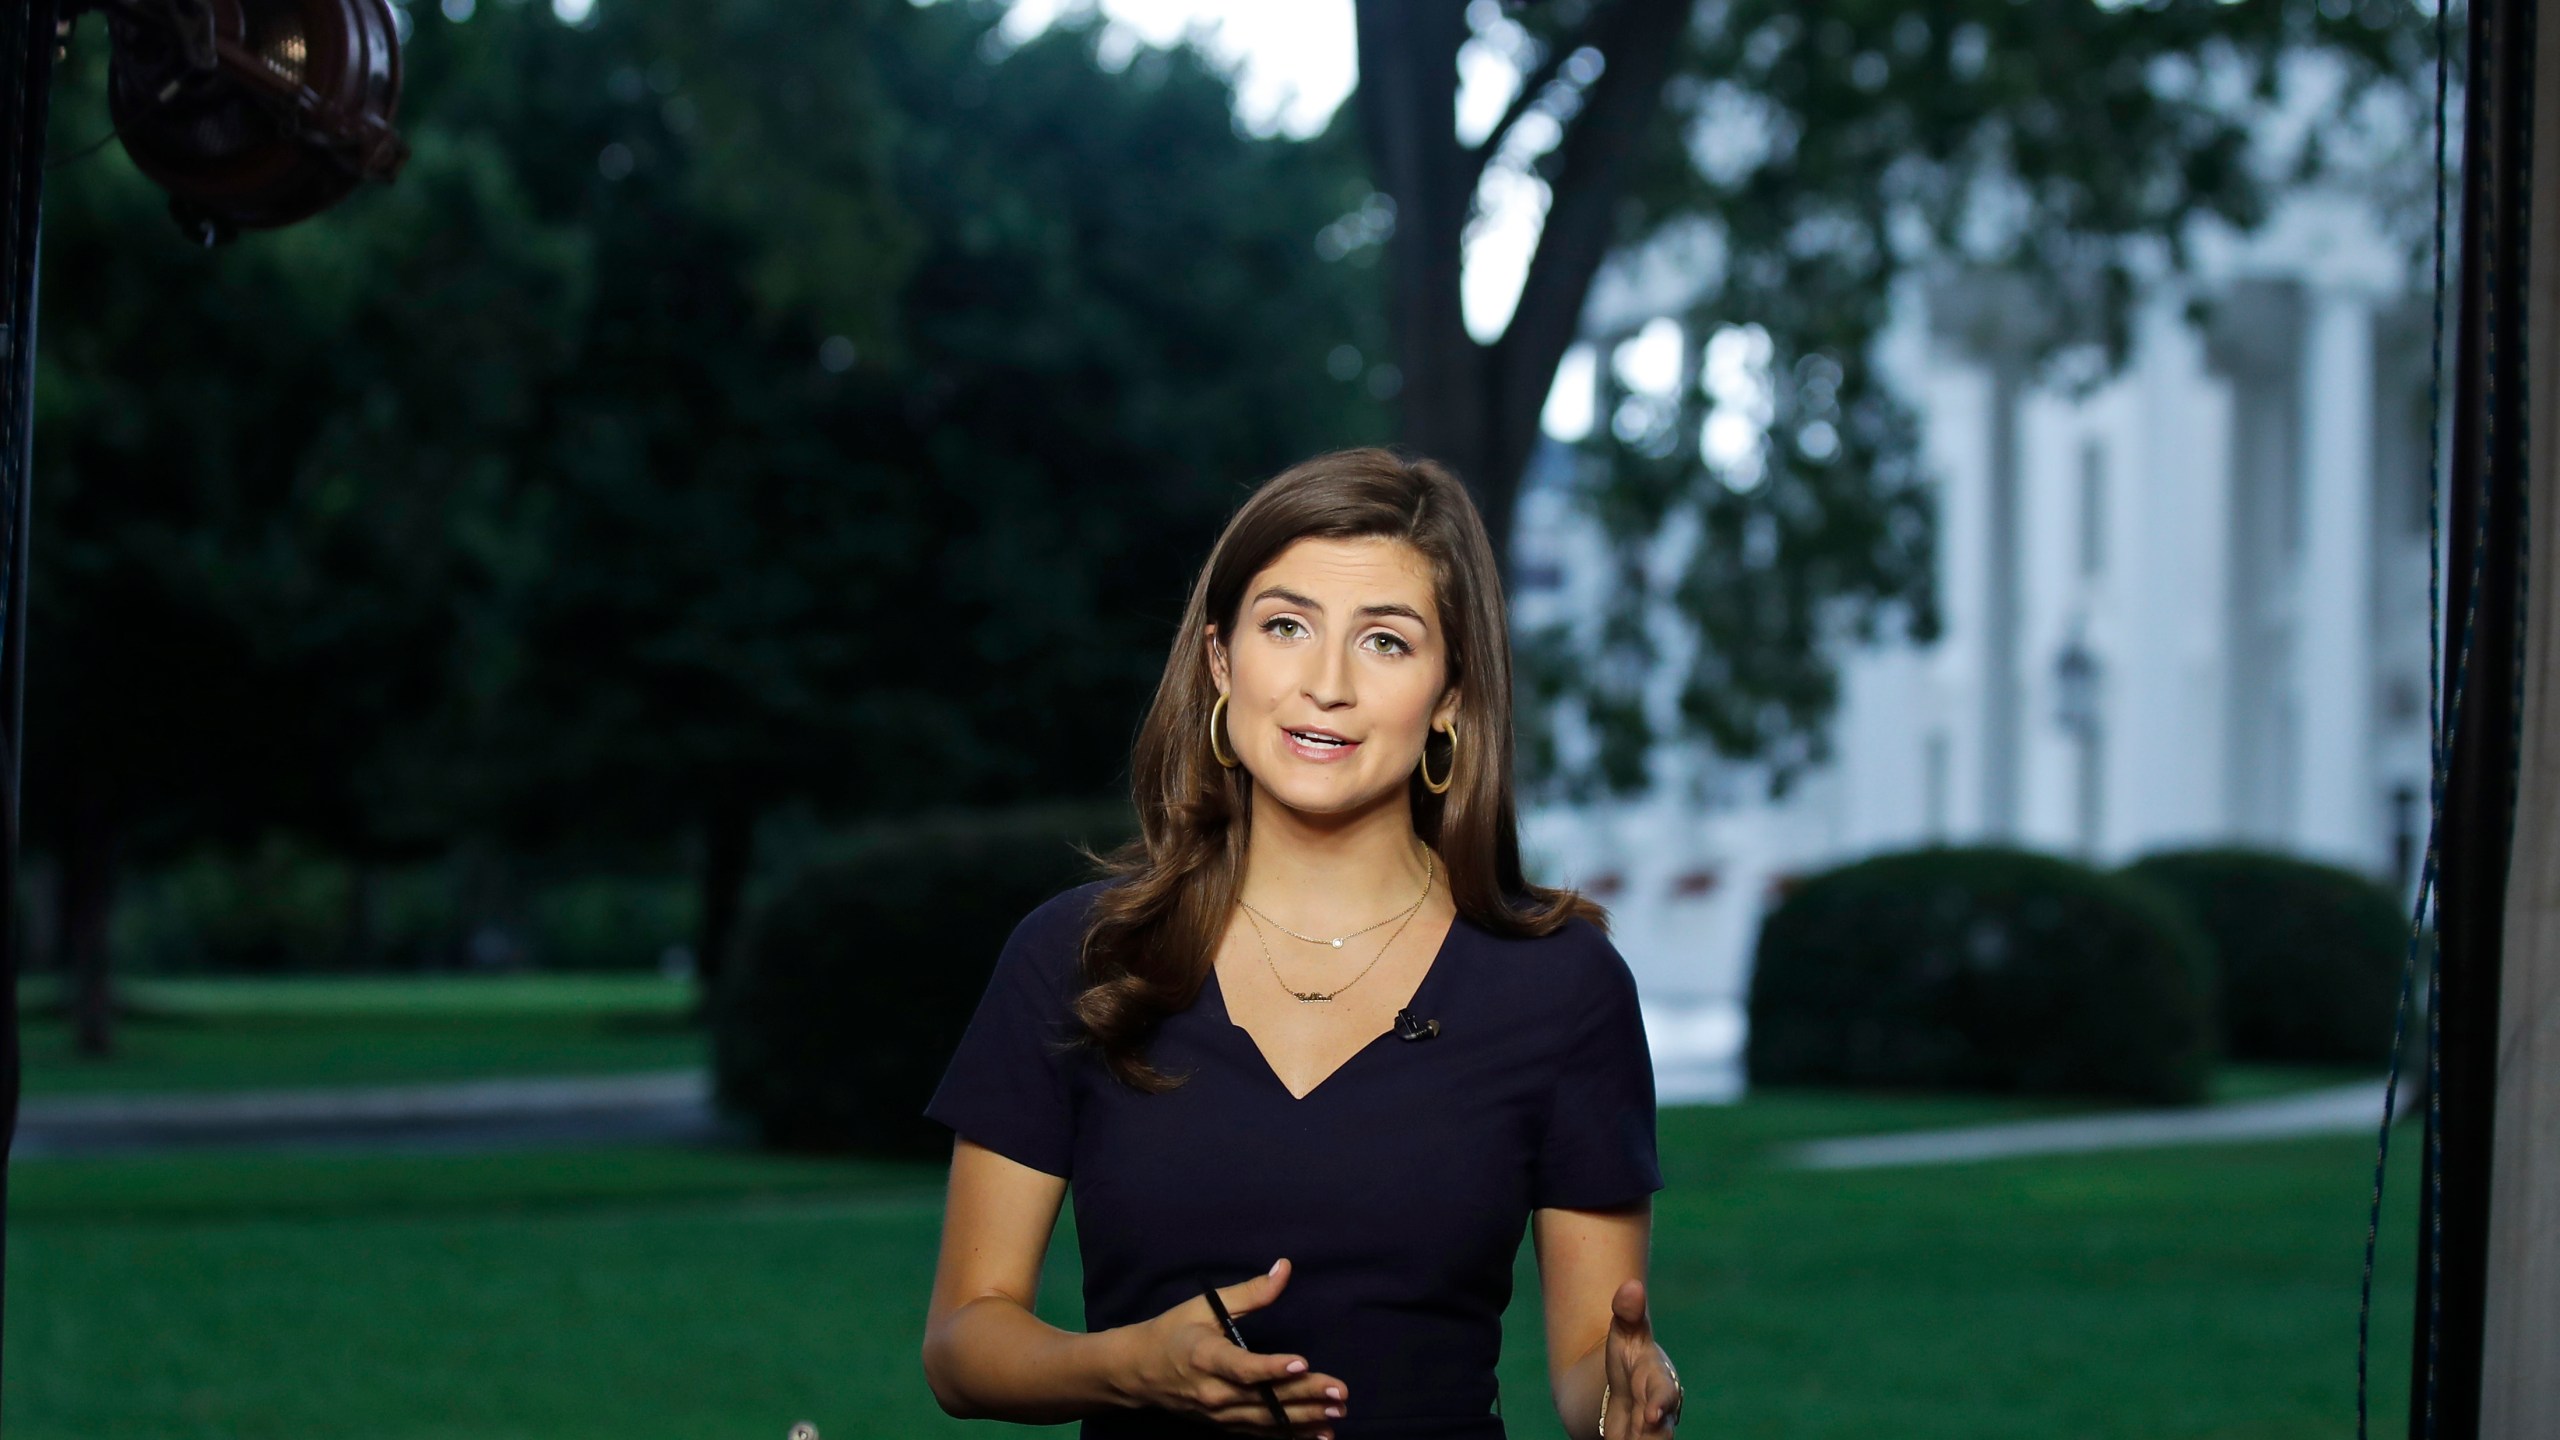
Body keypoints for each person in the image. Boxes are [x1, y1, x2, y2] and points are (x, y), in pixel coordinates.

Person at [919, 448, 1684, 1438]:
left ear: (1450, 694)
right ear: (1220, 662)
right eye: (1287, 626)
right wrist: (1129, 1366)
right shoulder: (1074, 958)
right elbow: (962, 1346)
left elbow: (1591, 1372)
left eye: (1385, 642)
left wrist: (1630, 1401)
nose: (1326, 684)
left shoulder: (1563, 985)